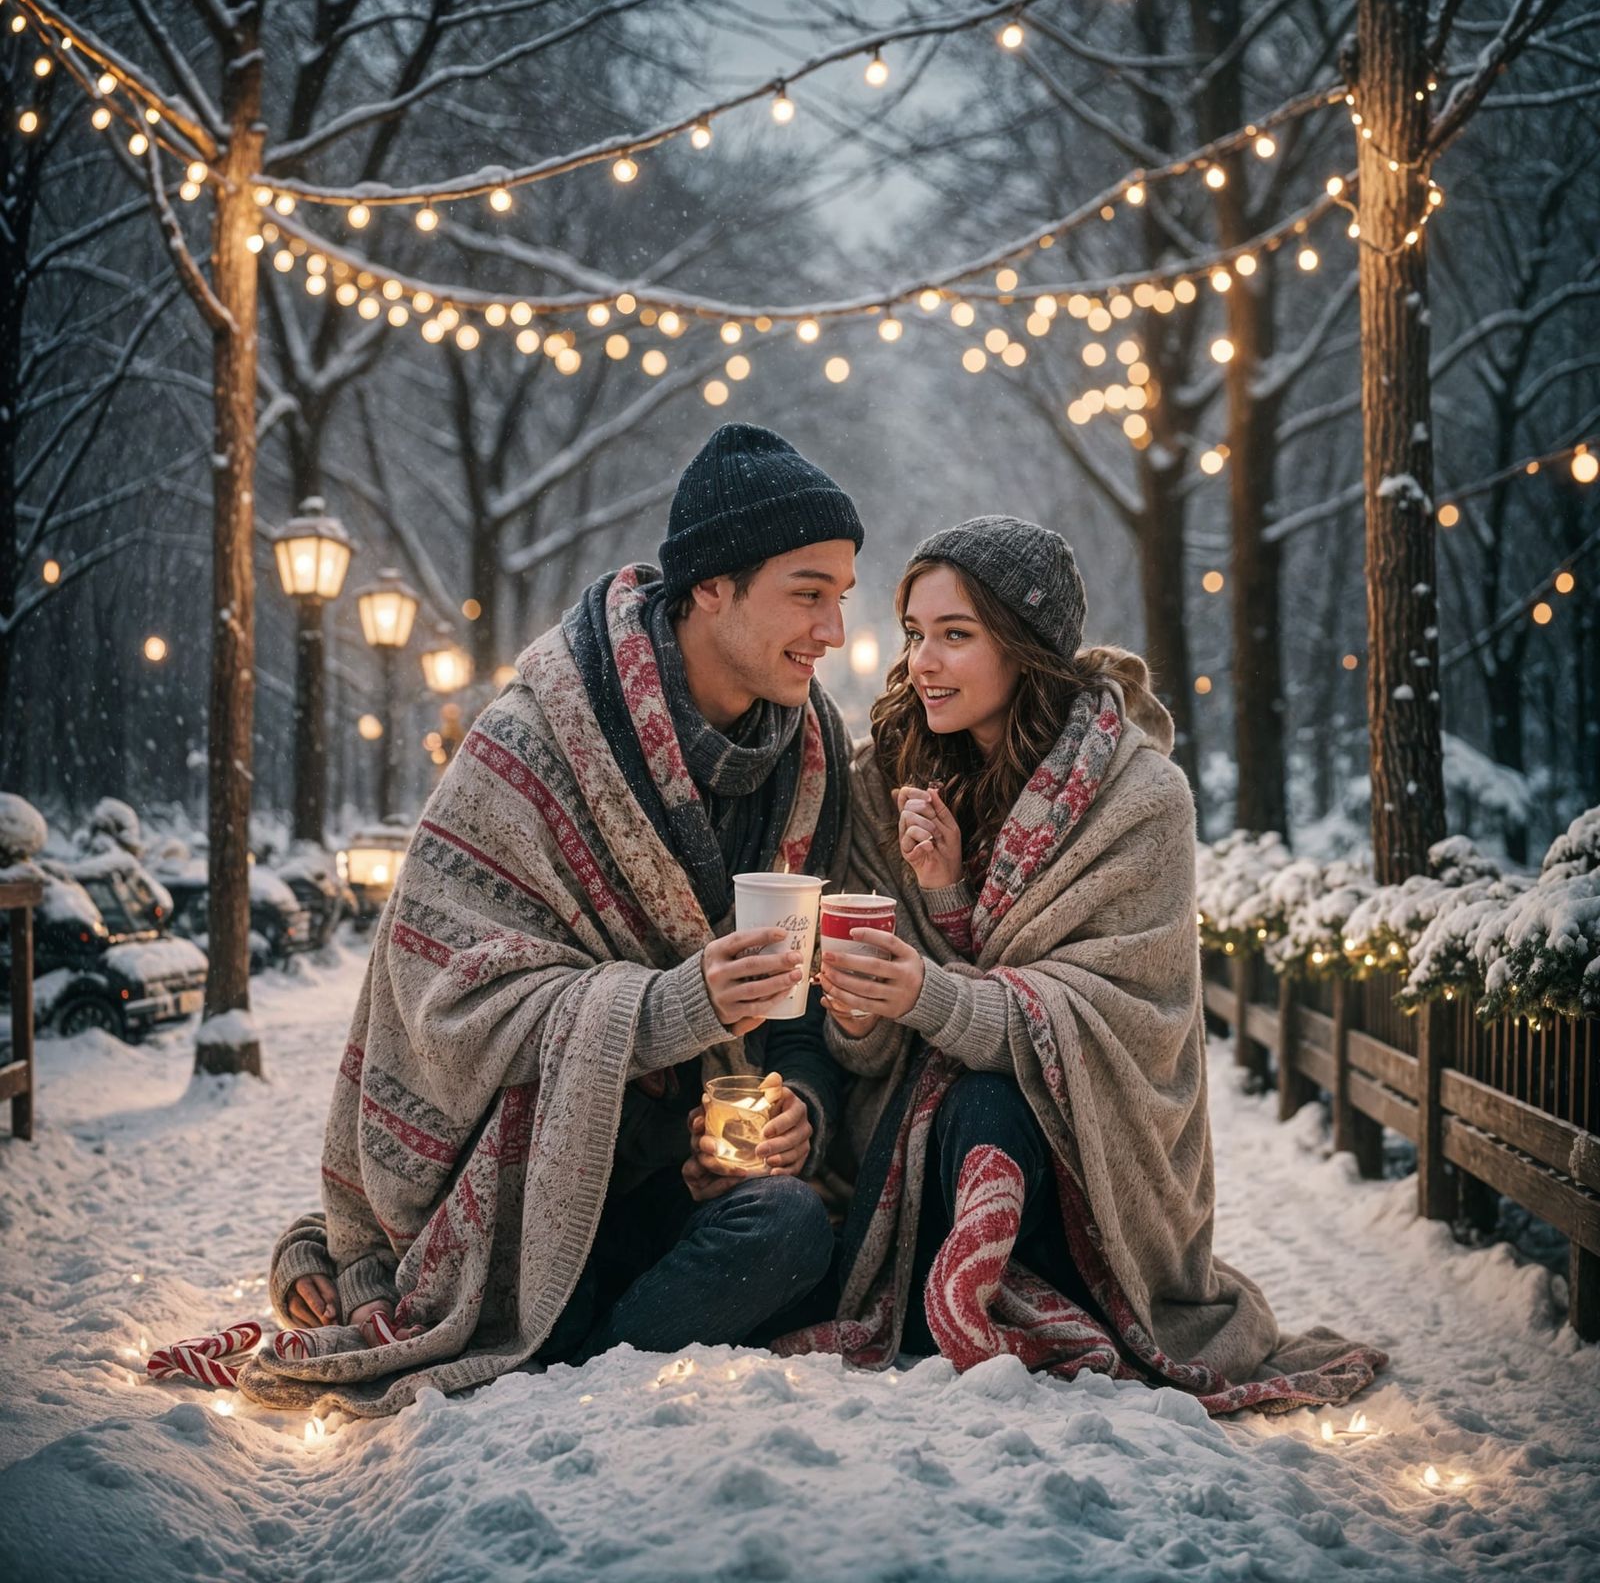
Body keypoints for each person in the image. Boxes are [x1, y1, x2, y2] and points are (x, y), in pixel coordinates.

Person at [239, 424, 860, 1415]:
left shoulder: (814, 763)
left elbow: (799, 1021)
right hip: (515, 1185)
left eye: (843, 597)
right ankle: (544, 1334)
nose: (832, 631)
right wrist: (664, 1009)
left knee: (791, 1230)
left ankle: (568, 1354)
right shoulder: (537, 741)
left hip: (671, 1188)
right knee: (532, 1289)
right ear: (710, 585)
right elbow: (440, 1001)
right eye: (808, 592)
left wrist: (797, 1116)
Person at [782, 516, 1384, 1414]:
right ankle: (962, 1297)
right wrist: (871, 1006)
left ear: (1026, 648)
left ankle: (991, 1301)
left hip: (1087, 1172)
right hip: (916, 1154)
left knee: (993, 1093)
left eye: (956, 635)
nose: (923, 665)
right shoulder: (885, 785)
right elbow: (871, 1050)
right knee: (964, 1094)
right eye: (915, 635)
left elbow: (1118, 1018)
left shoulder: (1138, 802)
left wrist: (933, 977)